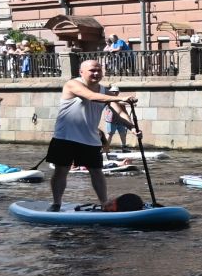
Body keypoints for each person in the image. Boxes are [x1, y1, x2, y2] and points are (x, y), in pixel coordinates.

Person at [44, 60, 137, 211]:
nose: (96, 73)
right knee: (61, 170)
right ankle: (56, 203)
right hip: (65, 137)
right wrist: (120, 97)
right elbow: (91, 96)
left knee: (97, 172)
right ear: (81, 72)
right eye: (92, 70)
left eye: (99, 71)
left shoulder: (104, 91)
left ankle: (104, 203)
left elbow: (119, 112)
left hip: (90, 139)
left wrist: (131, 127)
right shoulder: (72, 84)